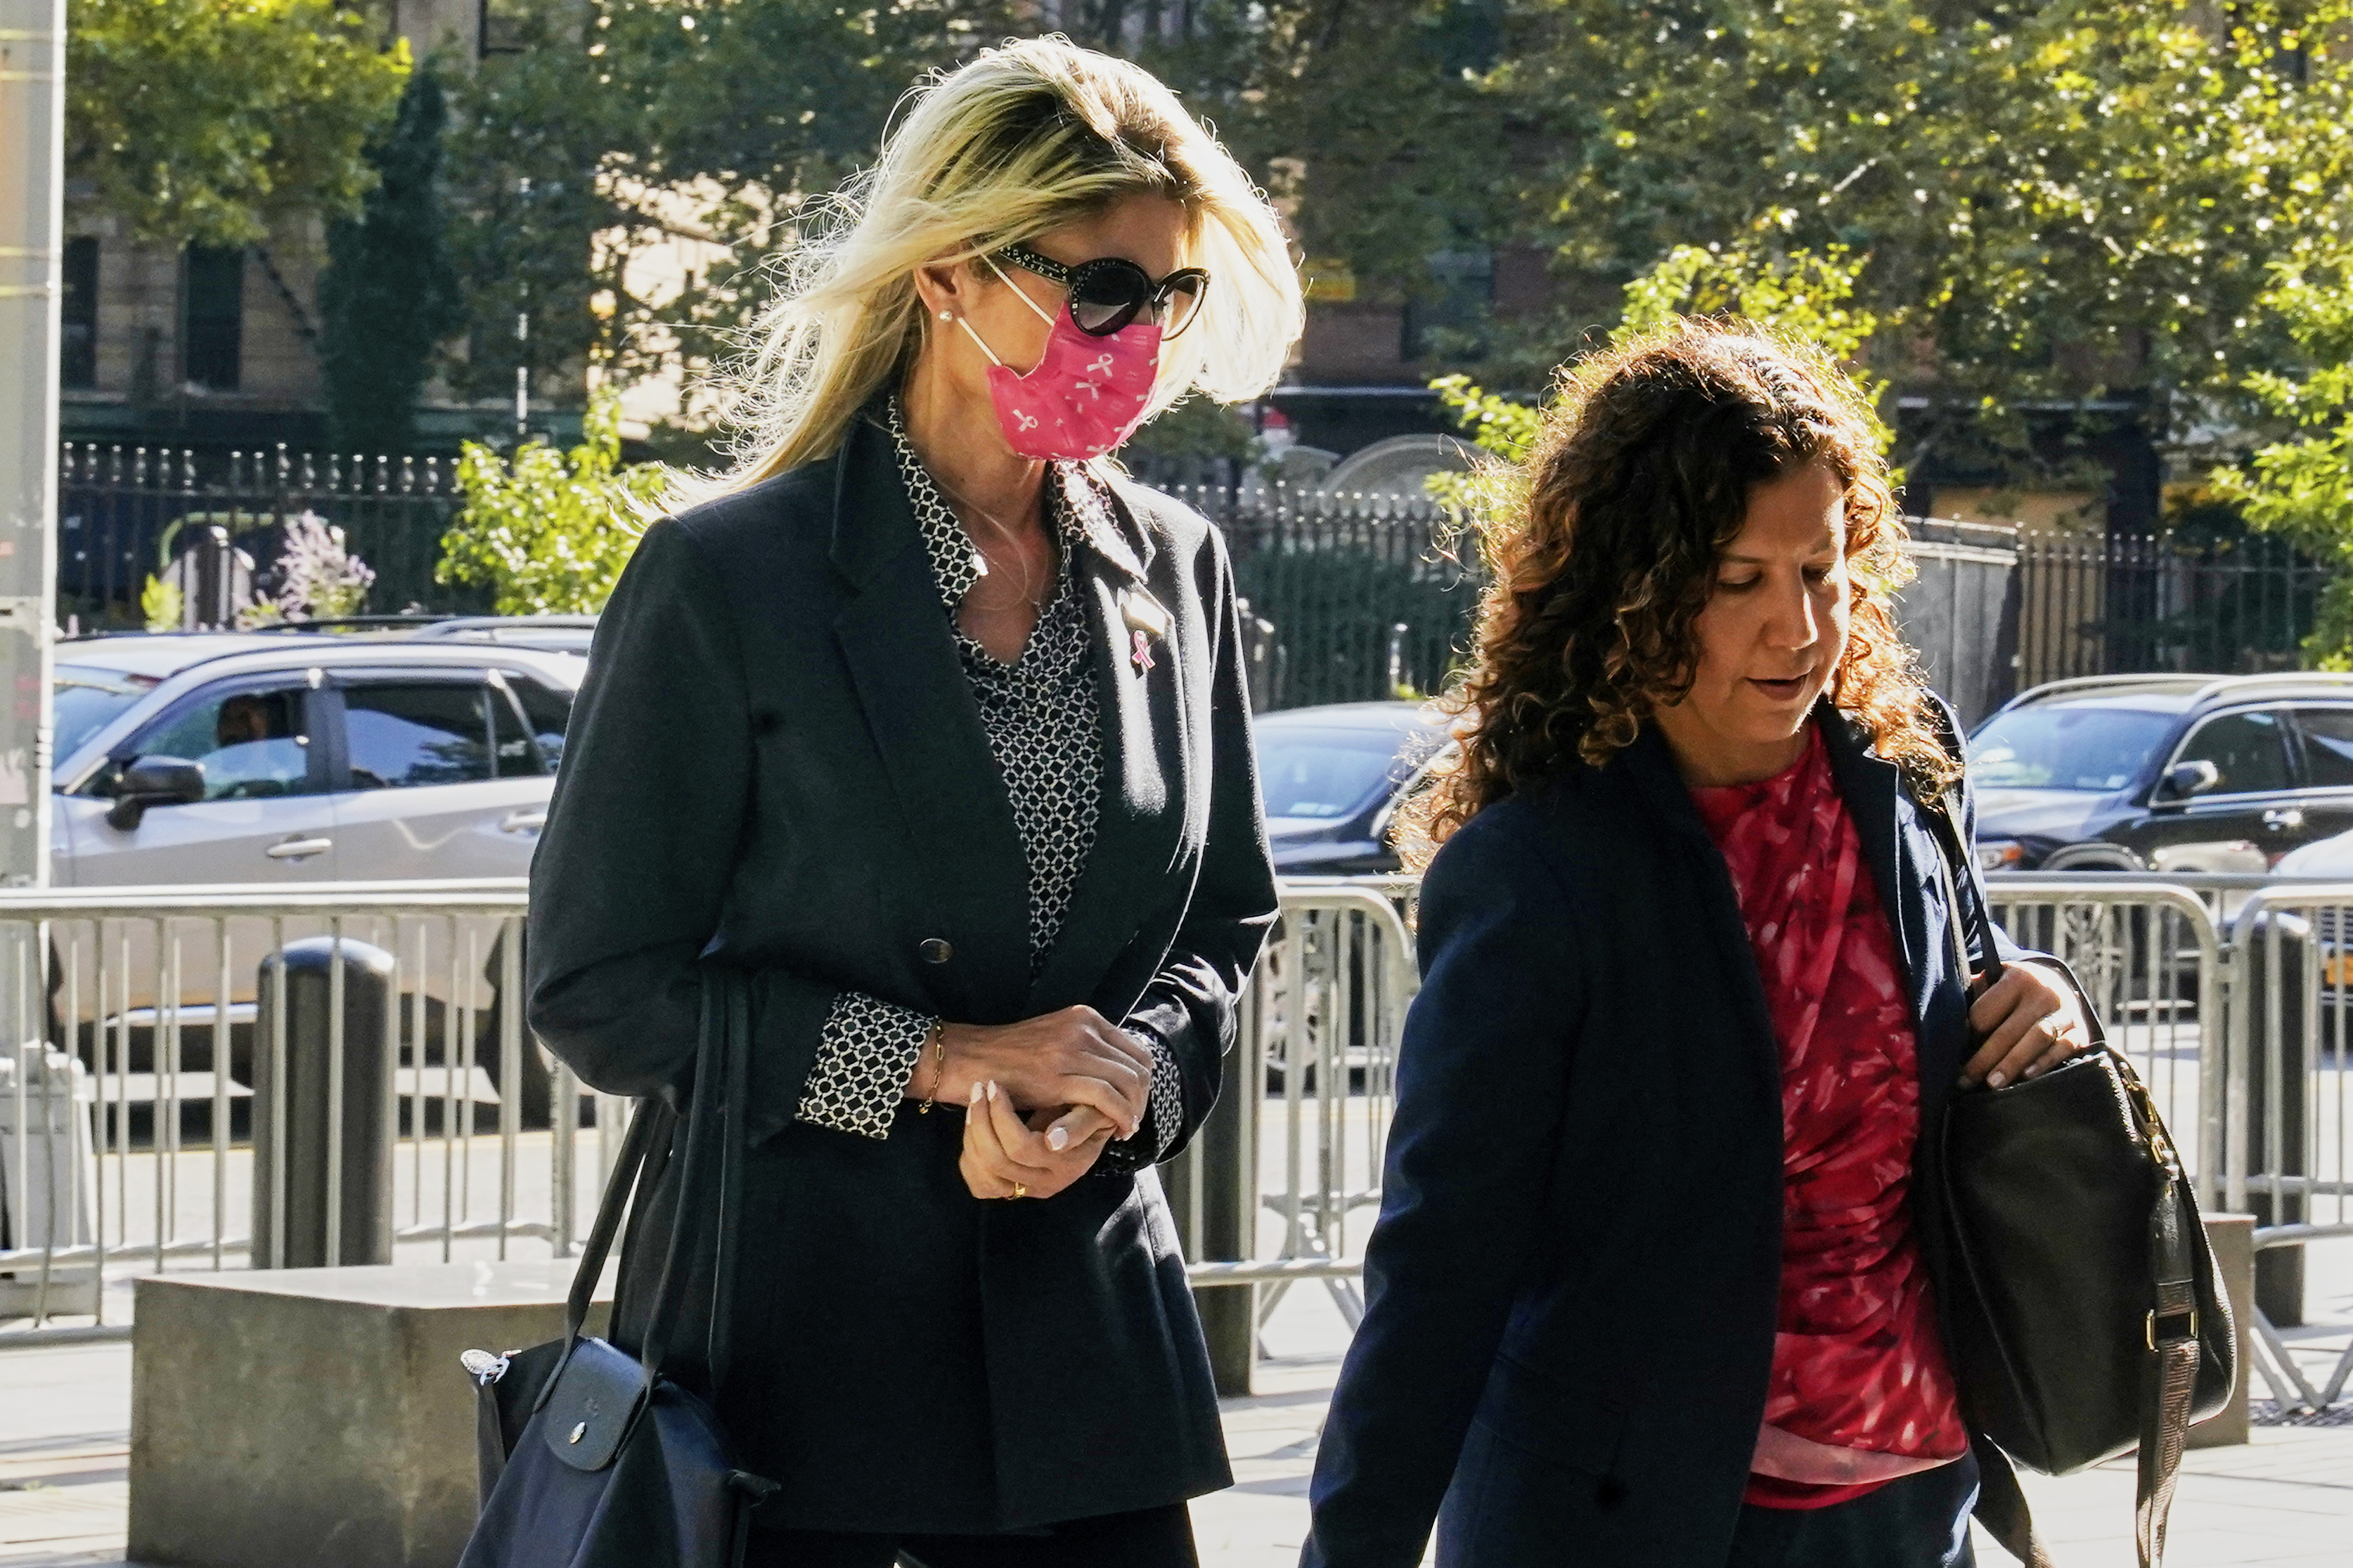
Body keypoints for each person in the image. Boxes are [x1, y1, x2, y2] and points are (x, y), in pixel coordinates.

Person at [524, 38, 1301, 1568]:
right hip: (798, 1390)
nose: (1139, 339)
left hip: (1087, 1390)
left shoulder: (1176, 566)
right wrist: (939, 1064)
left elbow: (1227, 917)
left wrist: (1128, 1072)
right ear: (948, 273)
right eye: (1101, 291)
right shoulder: (731, 577)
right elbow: (598, 987)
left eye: (1170, 297)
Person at [1298, 320, 2095, 1568]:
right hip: (1635, 1517)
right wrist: (1357, 1547)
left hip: (1910, 1498)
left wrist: (2040, 996)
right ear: (1636, 587)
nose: (1796, 628)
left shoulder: (1905, 769)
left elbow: (1961, 1020)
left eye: (1822, 572)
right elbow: (1442, 1262)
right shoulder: (1537, 872)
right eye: (1737, 582)